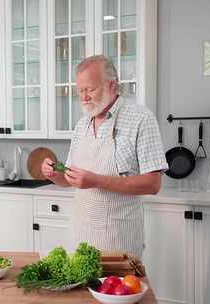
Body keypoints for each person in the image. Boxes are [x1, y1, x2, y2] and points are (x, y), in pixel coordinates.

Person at [41, 55, 168, 258]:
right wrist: (55, 175)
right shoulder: (82, 124)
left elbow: (153, 184)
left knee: (117, 290)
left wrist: (96, 181)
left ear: (111, 85)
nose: (84, 97)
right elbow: (71, 180)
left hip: (118, 239)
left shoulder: (141, 119)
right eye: (80, 91)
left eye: (90, 89)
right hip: (79, 238)